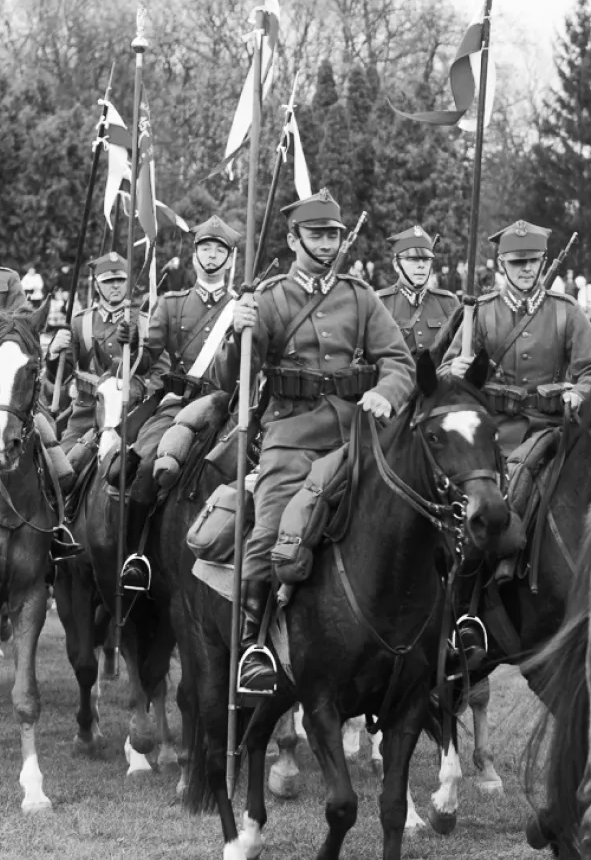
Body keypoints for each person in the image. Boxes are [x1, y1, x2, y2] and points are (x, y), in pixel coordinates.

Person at [214, 188, 415, 695]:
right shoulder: (268, 298)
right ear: (293, 238)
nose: (327, 243)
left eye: (333, 234)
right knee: (269, 527)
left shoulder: (360, 295)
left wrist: (386, 393)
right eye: (317, 234)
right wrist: (238, 333)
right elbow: (231, 377)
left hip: (355, 434)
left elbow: (399, 360)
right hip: (291, 433)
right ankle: (254, 641)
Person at [115, 215, 240, 592]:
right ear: (194, 257)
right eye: (205, 248)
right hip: (177, 404)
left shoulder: (244, 307)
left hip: (228, 407)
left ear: (230, 259)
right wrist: (130, 342)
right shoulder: (171, 305)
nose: (212, 256)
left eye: (220, 250)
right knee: (147, 464)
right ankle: (134, 557)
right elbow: (147, 358)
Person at [442, 221, 591, 458]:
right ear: (502, 264)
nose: (526, 268)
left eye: (533, 260)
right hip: (492, 429)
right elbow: (444, 371)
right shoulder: (481, 312)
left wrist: (580, 393)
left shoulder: (566, 311)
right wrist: (454, 370)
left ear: (544, 262)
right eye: (517, 261)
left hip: (554, 428)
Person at [46, 252, 132, 456]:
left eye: (120, 279)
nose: (115, 285)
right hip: (86, 412)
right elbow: (62, 375)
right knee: (62, 472)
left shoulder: (142, 321)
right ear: (96, 285)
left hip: (129, 413)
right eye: (108, 281)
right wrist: (54, 352)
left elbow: (157, 373)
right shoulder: (80, 322)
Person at [377, 225, 459, 357]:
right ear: (396, 265)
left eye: (426, 259)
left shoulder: (448, 303)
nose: (421, 265)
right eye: (413, 259)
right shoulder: (379, 304)